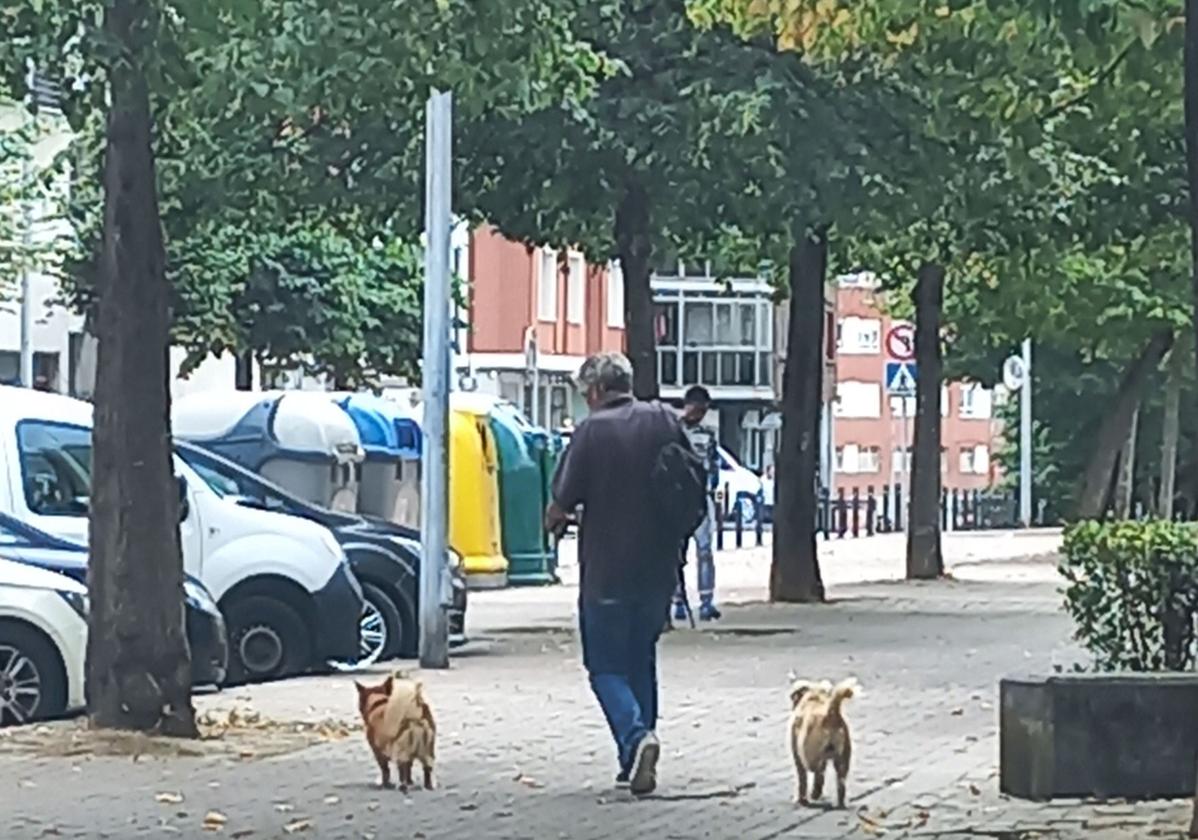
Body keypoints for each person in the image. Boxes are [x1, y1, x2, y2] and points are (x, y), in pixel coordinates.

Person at [545, 352, 688, 796]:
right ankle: (636, 758)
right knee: (641, 657)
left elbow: (562, 498)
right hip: (659, 568)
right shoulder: (665, 418)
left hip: (607, 570)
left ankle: (635, 737)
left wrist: (556, 519)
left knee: (605, 666)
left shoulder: (591, 431)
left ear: (595, 390)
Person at [673, 385, 722, 622]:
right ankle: (678, 600)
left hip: (701, 497)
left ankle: (706, 600)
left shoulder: (708, 434)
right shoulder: (674, 431)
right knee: (677, 553)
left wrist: (712, 487)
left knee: (705, 551)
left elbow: (714, 464)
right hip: (679, 498)